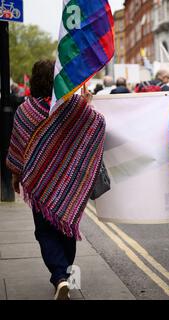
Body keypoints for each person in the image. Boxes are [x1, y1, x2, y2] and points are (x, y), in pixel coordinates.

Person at [6, 60, 106, 299]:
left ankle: (60, 276)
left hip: (38, 184)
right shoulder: (70, 107)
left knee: (44, 231)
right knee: (66, 228)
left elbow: (18, 149)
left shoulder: (25, 110)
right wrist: (86, 106)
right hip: (69, 183)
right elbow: (98, 124)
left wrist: (15, 176)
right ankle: (64, 275)